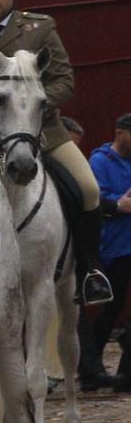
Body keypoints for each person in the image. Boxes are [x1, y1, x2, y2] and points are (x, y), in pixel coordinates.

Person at [0, 0, 113, 310]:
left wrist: (36, 103)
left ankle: (89, 271)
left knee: (87, 187)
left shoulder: (39, 29)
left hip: (42, 129)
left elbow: (65, 80)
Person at [79, 114, 131, 391]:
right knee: (108, 312)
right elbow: (94, 199)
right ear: (119, 132)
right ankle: (92, 366)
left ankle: (118, 373)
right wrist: (120, 204)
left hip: (127, 244)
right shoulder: (99, 162)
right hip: (112, 247)